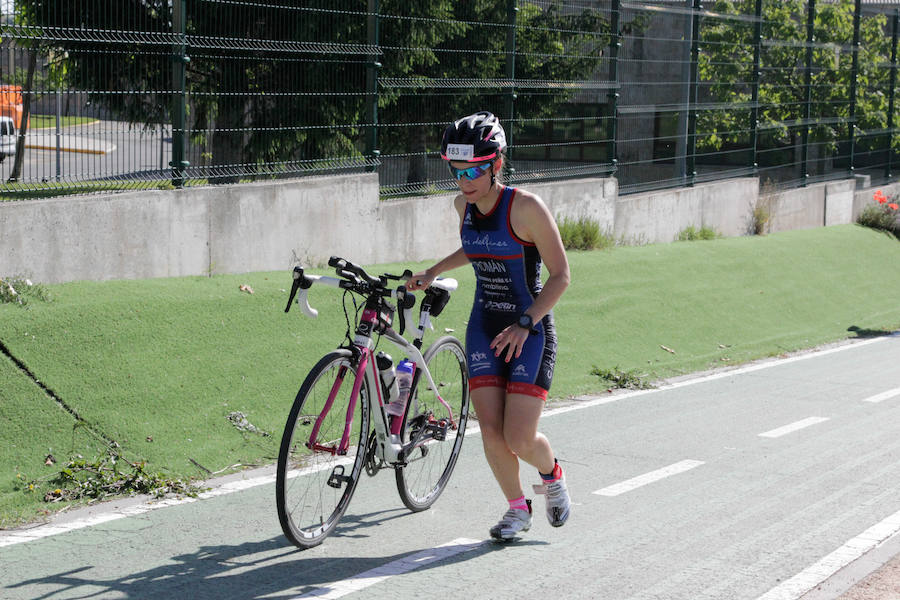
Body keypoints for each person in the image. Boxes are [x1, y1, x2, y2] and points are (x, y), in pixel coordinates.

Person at [406, 111, 571, 541]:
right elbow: (476, 247)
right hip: (484, 326)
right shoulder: (462, 205)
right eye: (457, 170)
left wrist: (525, 322)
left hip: (528, 329)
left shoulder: (527, 208)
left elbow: (560, 277)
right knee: (492, 432)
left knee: (519, 436)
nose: (465, 180)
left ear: (497, 163)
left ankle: (551, 472)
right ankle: (518, 509)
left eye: (476, 169)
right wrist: (434, 269)